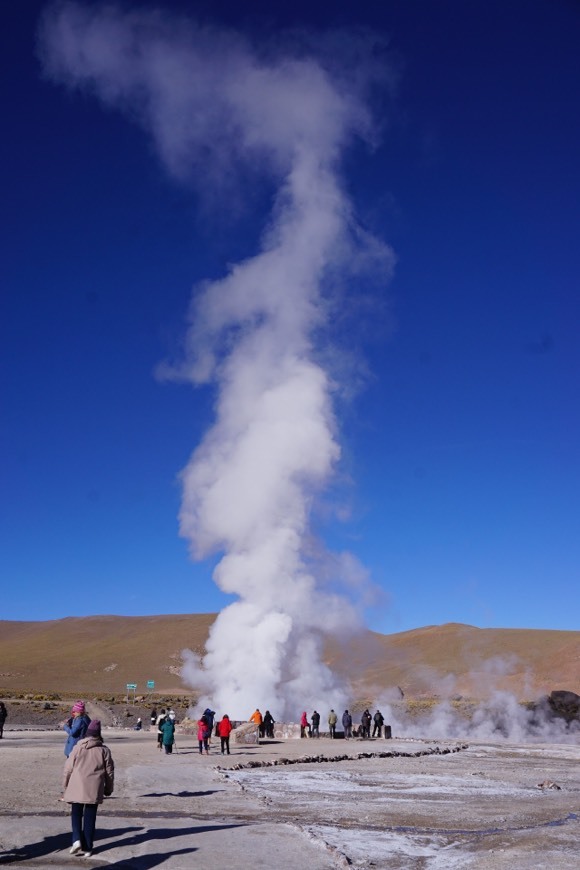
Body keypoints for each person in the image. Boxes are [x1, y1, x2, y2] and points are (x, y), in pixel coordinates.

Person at [62, 719, 114, 857]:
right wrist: (108, 789)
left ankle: (76, 839)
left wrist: (66, 786)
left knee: (76, 814)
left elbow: (68, 769)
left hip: (76, 787)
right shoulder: (104, 750)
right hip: (94, 789)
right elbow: (109, 772)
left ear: (87, 734)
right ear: (98, 734)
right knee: (90, 818)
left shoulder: (78, 747)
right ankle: (88, 847)